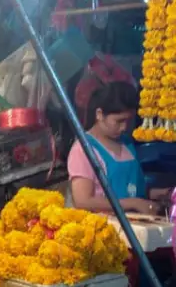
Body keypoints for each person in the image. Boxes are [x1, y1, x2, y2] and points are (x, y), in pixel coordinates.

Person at [67, 81, 169, 216]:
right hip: (106, 228)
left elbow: (133, 189)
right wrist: (134, 203)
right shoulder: (84, 149)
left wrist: (161, 194)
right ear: (99, 114)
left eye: (128, 120)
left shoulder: (126, 143)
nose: (124, 127)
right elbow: (83, 200)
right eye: (119, 121)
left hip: (139, 226)